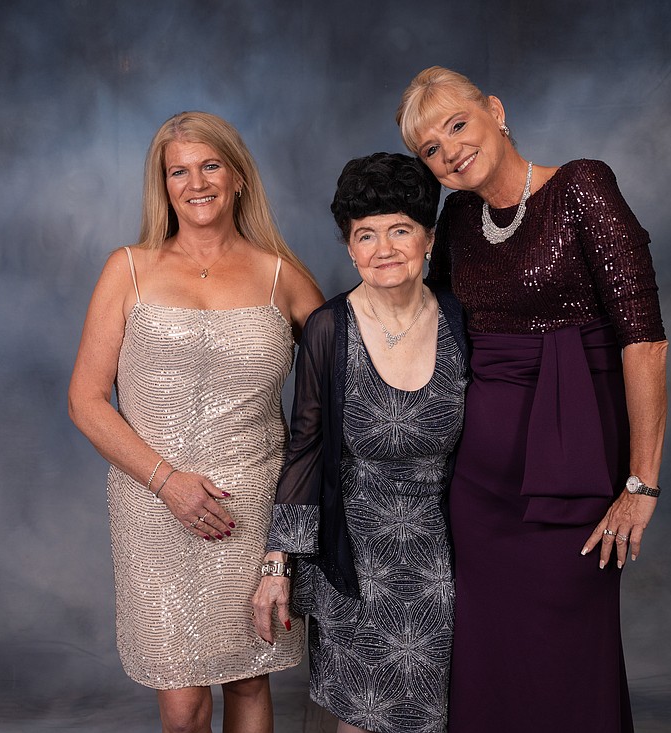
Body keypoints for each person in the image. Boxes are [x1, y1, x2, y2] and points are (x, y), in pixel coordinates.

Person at [396, 66, 669, 732]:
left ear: (495, 109)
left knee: (572, 651)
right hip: (480, 485)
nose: (450, 150)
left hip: (574, 471)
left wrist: (641, 483)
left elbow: (645, 341)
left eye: (457, 125)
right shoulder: (457, 218)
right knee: (487, 655)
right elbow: (422, 317)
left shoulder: (582, 186)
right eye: (431, 148)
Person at [68, 111, 324, 733]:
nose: (196, 182)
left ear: (237, 176)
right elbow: (86, 400)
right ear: (164, 184)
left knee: (248, 677)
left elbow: (337, 394)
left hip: (252, 508)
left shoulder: (281, 278)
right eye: (178, 171)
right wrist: (167, 481)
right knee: (181, 706)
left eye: (210, 165)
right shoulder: (127, 268)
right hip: (154, 505)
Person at [251, 152, 468, 733]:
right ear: (350, 248)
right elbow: (306, 448)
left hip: (449, 558)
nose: (384, 248)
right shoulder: (328, 328)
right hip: (356, 557)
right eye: (365, 235)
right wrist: (278, 564)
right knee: (364, 718)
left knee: (437, 715)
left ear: (428, 237)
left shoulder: (460, 320)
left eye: (400, 229)